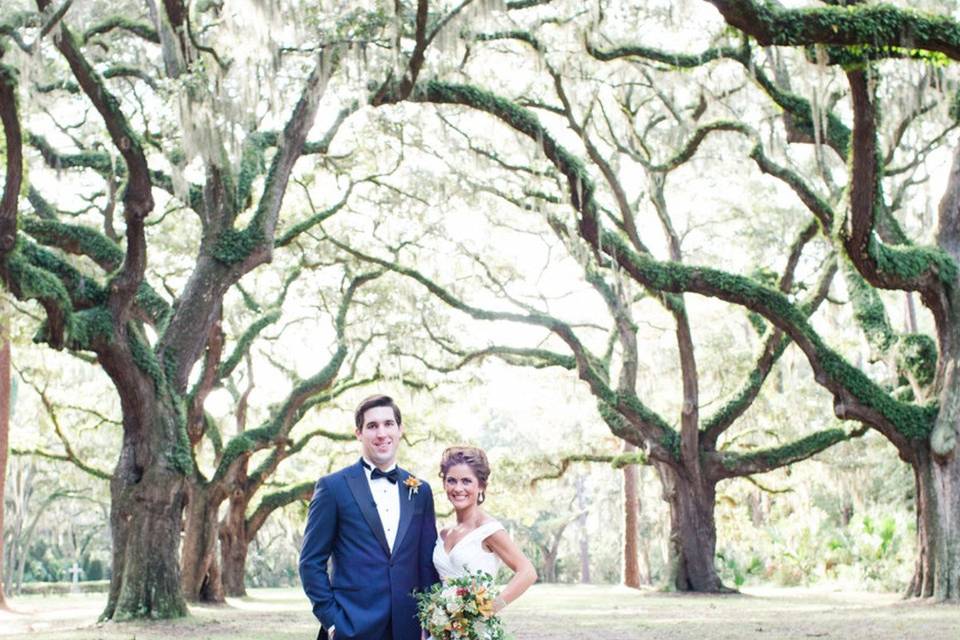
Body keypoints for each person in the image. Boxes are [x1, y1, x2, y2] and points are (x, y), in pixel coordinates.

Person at [299, 394, 439, 640]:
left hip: (408, 629)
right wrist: (332, 622)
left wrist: (430, 623)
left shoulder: (420, 490)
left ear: (400, 430)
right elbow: (310, 562)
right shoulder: (333, 487)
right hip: (351, 627)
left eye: (388, 424)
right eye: (372, 426)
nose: (381, 433)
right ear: (359, 433)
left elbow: (426, 563)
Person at [433, 446, 537, 613]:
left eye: (466, 481)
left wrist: (490, 609)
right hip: (441, 630)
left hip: (474, 631)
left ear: (481, 486)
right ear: (444, 484)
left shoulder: (488, 530)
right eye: (451, 480)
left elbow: (528, 572)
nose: (458, 488)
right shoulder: (444, 533)